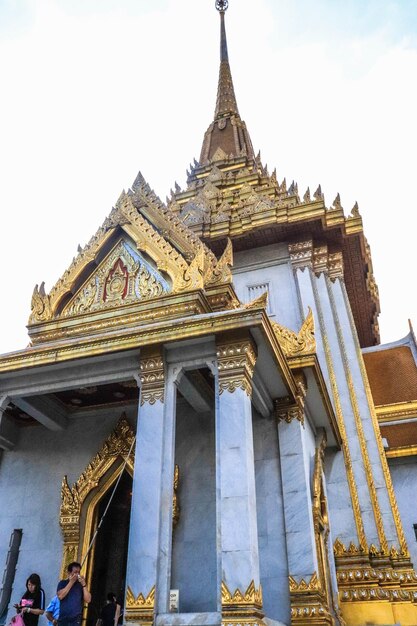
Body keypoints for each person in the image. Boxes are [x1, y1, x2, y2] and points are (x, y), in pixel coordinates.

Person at [57, 562, 91, 626]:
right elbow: (60, 596)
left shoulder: (80, 586)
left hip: (75, 620)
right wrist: (71, 582)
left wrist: (84, 585)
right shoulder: (62, 583)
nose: (77, 574)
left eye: (78, 572)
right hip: (63, 619)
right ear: (69, 573)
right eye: (75, 572)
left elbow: (88, 600)